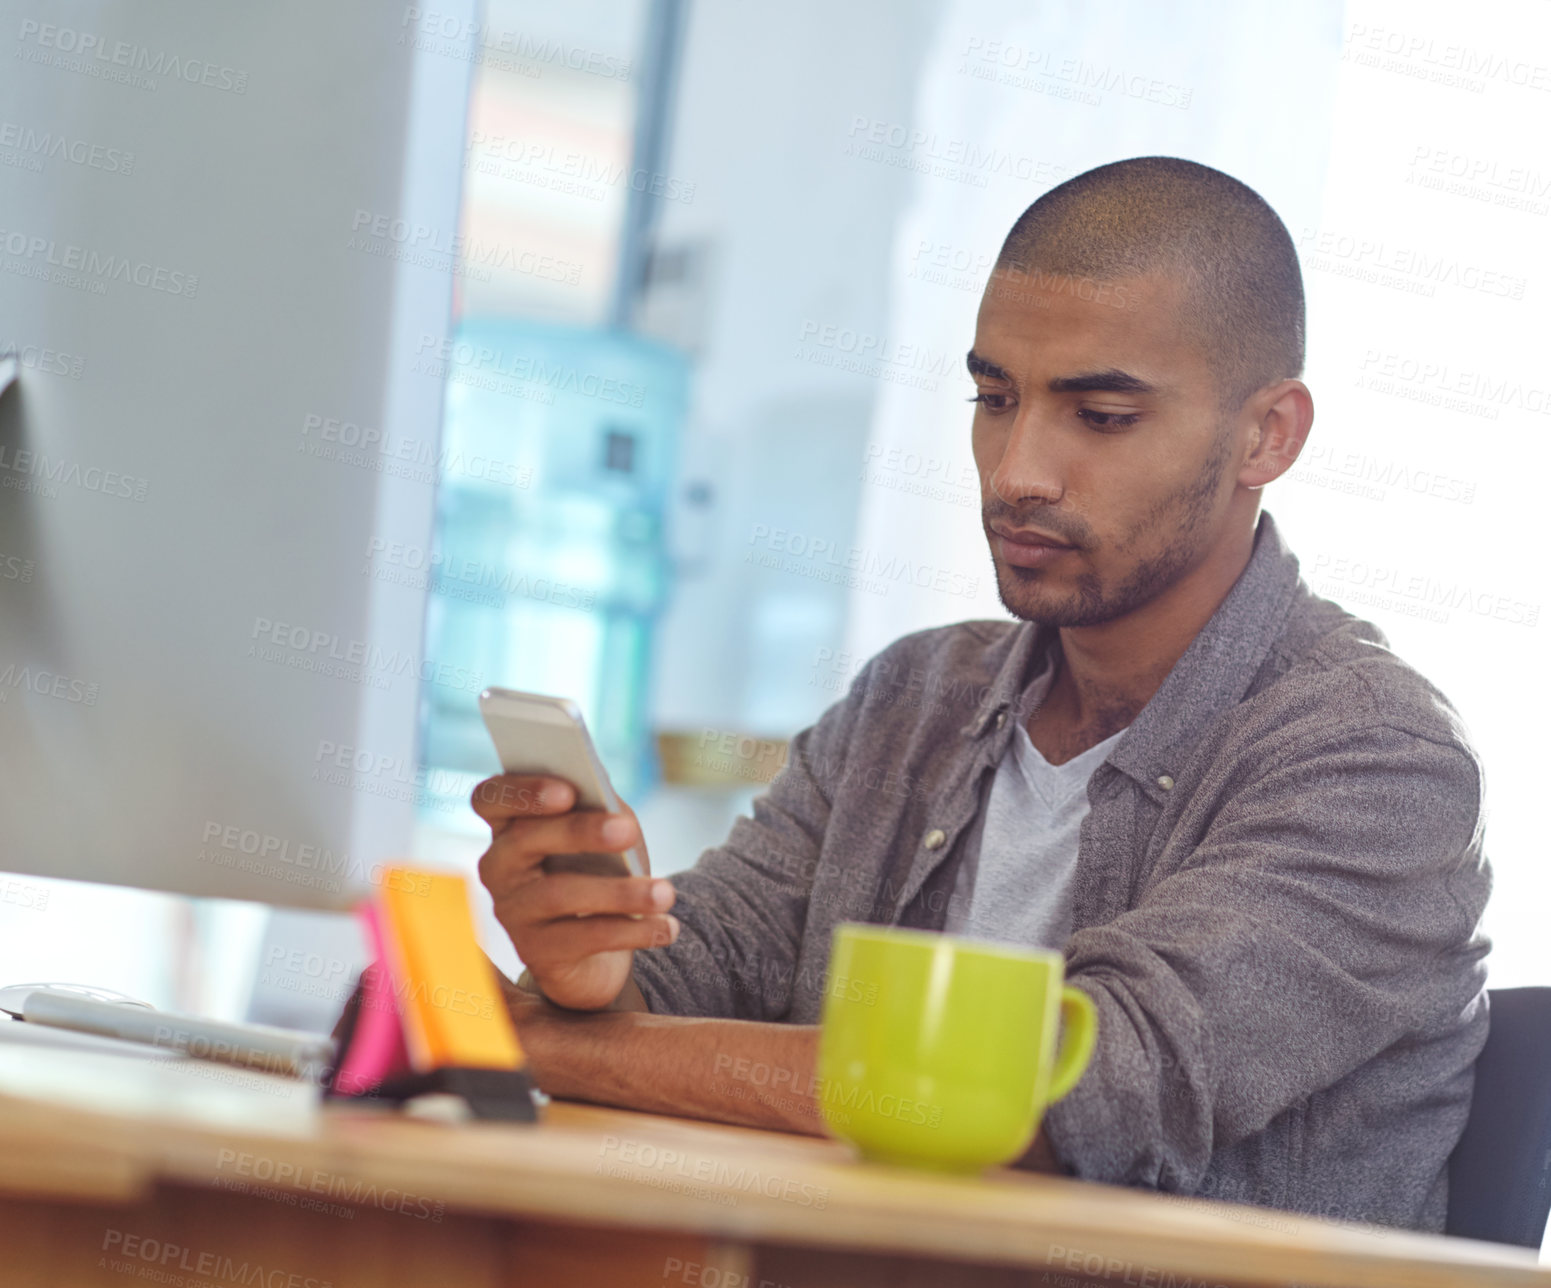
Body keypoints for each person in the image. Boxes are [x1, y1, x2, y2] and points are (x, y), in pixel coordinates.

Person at [471, 156, 1491, 1233]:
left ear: (1267, 436)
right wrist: (595, 968)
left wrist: (537, 1037)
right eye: (993, 398)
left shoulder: (1378, 761)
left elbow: (1053, 1097)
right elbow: (708, 972)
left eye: (1099, 415)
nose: (1016, 471)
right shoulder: (915, 695)